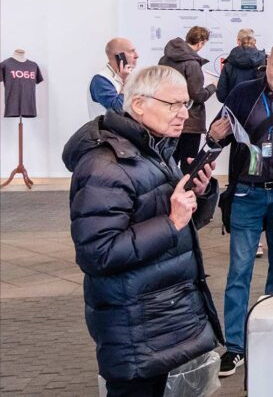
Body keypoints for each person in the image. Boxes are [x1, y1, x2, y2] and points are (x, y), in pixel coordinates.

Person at [65, 65, 222, 397]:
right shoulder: (104, 167)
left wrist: (200, 195)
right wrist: (171, 222)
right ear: (138, 105)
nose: (184, 114)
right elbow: (98, 253)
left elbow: (181, 229)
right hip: (138, 333)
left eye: (187, 105)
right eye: (173, 105)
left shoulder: (154, 151)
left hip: (166, 321)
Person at [205, 41, 273, 378]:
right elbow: (219, 134)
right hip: (247, 195)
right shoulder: (244, 93)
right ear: (267, 64)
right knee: (239, 272)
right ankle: (235, 348)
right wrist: (213, 135)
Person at [158, 26, 216, 164]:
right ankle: (185, 187)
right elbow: (198, 95)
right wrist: (213, 87)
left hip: (168, 117)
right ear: (201, 42)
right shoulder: (192, 64)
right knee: (188, 164)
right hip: (190, 121)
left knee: (168, 161)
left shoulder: (164, 59)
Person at [89, 37, 138, 118]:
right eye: (132, 51)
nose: (137, 56)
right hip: (107, 130)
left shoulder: (131, 76)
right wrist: (126, 82)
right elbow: (118, 110)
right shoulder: (100, 80)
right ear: (119, 56)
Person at [216, 29, 266, 103]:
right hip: (257, 109)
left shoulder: (229, 63)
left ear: (238, 41)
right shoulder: (264, 61)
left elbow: (221, 95)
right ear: (254, 41)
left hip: (233, 108)